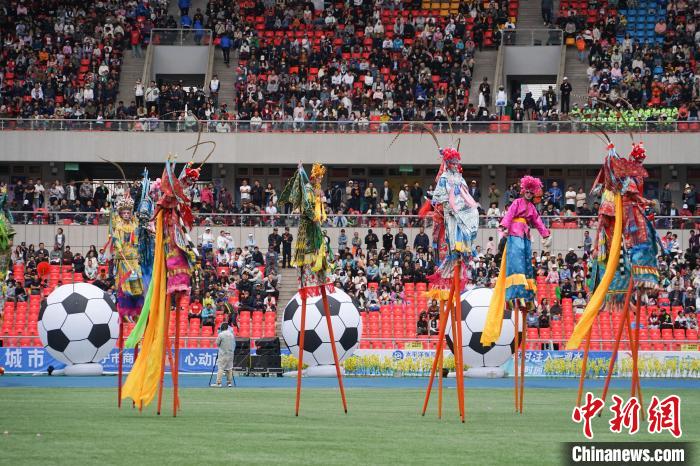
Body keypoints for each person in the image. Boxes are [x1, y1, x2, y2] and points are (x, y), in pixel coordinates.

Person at [483, 175, 551, 346]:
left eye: (531, 192)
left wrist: (545, 234)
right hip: (515, 233)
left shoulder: (532, 208)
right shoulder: (517, 203)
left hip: (526, 235)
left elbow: (538, 221)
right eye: (527, 191)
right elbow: (509, 215)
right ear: (523, 191)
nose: (529, 194)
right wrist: (504, 226)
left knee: (527, 264)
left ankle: (526, 296)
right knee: (517, 263)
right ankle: (515, 295)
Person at [212, 323, 236, 387]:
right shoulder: (231, 334)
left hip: (223, 354)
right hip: (231, 354)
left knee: (221, 368)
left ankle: (218, 383)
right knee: (229, 368)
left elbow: (217, 343)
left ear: (221, 328)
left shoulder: (221, 334)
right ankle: (229, 383)